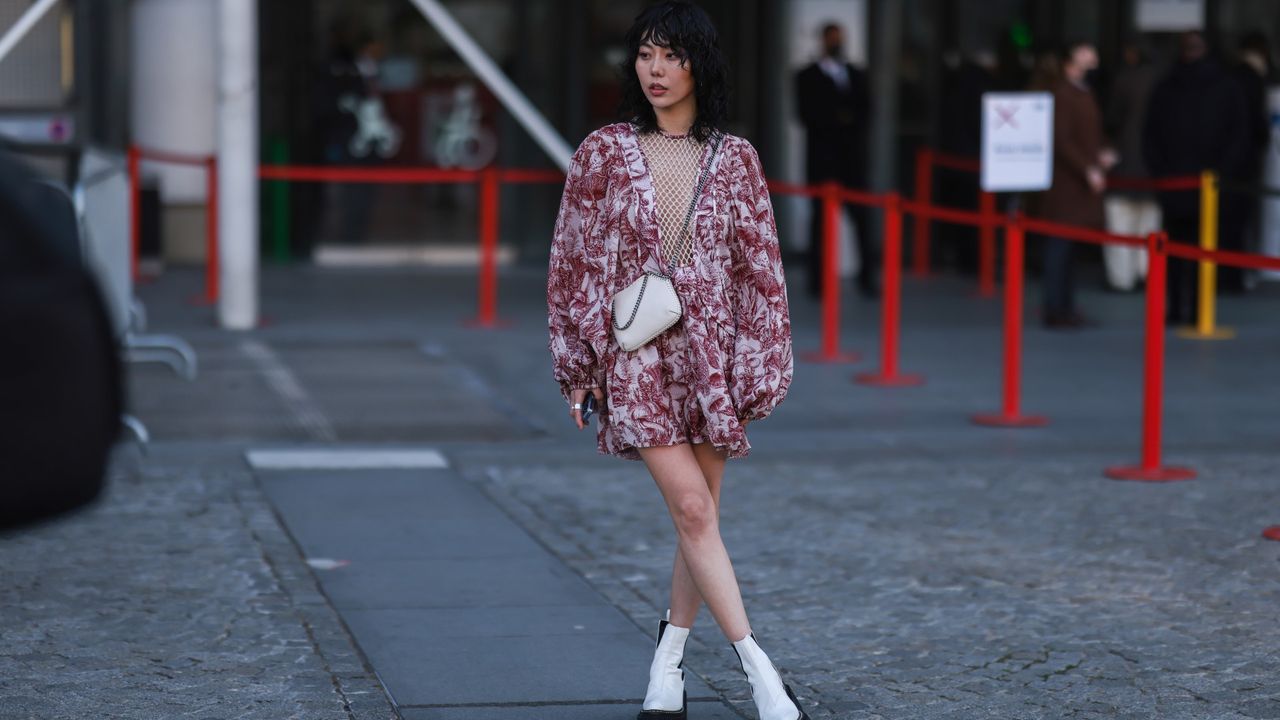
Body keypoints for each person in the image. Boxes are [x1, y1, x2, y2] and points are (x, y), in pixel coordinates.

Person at [546, 3, 806, 719]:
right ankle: (763, 677)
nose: (655, 70)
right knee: (692, 507)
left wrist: (762, 361)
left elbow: (761, 270)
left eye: (672, 56)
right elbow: (570, 259)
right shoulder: (602, 151)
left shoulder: (736, 157)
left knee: (702, 521)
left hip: (713, 356)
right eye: (644, 54)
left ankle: (668, 664)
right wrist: (576, 362)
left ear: (700, 64)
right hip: (636, 353)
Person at [1144, 31, 1249, 324]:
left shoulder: (1172, 86)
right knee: (1188, 251)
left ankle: (1191, 309)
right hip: (1193, 184)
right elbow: (1151, 135)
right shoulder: (1219, 86)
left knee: (1190, 251)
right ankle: (1187, 309)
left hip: (1194, 184)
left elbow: (1238, 136)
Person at [795, 22, 876, 299]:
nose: (836, 44)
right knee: (819, 223)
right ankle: (817, 282)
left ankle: (867, 278)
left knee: (862, 219)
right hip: (823, 161)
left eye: (839, 39)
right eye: (832, 39)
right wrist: (841, 118)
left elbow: (865, 111)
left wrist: (842, 118)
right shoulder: (806, 76)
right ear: (822, 41)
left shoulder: (855, 73)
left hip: (852, 161)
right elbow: (807, 115)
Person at [1038, 41, 1113, 328]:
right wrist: (1088, 169)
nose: (1093, 55)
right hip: (1066, 186)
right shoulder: (1064, 94)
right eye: (1086, 51)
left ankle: (1064, 306)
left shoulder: (1083, 92)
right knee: (1059, 248)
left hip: (1077, 184)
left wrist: (1103, 153)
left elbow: (1089, 134)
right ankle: (1056, 308)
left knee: (1068, 251)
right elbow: (1063, 140)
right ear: (1072, 58)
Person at [1102, 41, 1159, 292]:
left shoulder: (1123, 81)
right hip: (1155, 166)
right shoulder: (1162, 81)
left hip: (1126, 163)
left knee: (1120, 224)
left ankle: (1121, 278)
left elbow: (1112, 120)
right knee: (1149, 224)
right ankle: (1146, 272)